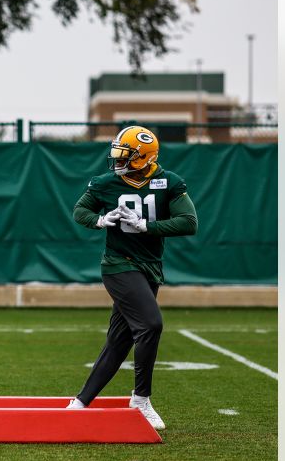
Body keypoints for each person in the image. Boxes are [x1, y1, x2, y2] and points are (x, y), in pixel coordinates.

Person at [67, 126, 199, 430]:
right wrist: (100, 220)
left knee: (120, 340)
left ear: (144, 157)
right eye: (117, 152)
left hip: (150, 267)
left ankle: (80, 402)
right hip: (118, 264)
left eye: (125, 155)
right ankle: (140, 400)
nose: (117, 159)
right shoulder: (105, 183)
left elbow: (189, 222)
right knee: (151, 324)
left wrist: (147, 227)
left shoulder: (168, 182)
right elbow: (79, 210)